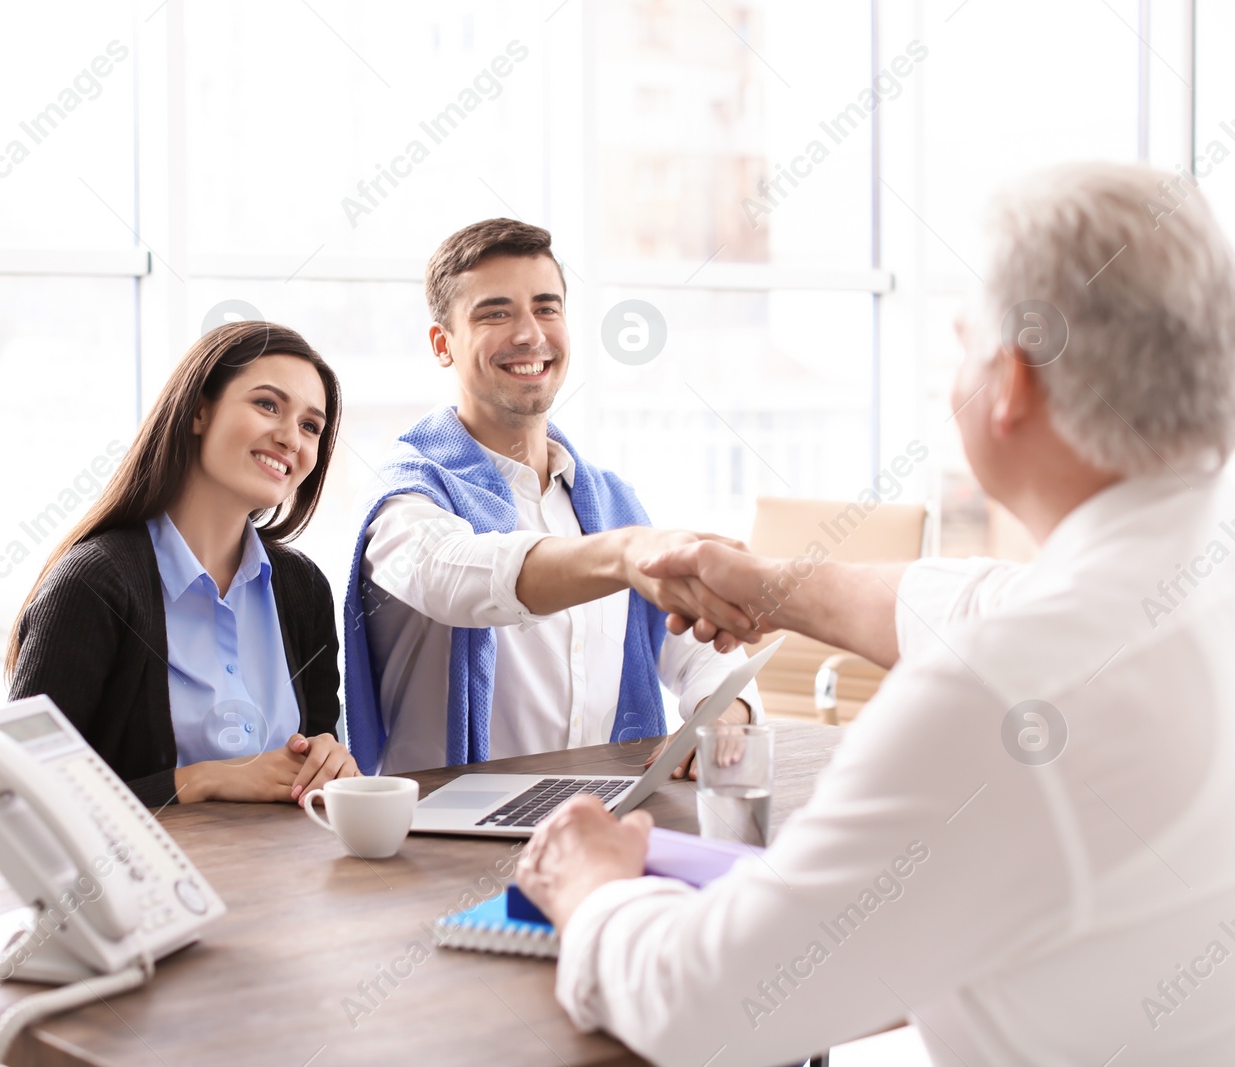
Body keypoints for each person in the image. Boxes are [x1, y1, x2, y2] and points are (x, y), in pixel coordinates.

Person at [516, 162, 1235, 1065]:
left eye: (962, 343)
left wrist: (594, 887)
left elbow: (713, 1004)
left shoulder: (1007, 695)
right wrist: (769, 584)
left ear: (1010, 381)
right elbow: (975, 602)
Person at [342, 218, 759, 777]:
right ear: (443, 344)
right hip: (439, 844)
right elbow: (458, 578)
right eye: (495, 312)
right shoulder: (406, 498)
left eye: (547, 308)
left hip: (596, 821)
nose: (530, 335)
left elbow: (704, 656)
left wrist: (721, 716)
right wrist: (624, 555)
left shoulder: (609, 504)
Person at [6, 321, 359, 807]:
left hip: (288, 875)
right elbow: (17, 797)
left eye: (310, 426)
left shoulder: (302, 588)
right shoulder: (93, 585)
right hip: (131, 882)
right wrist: (197, 780)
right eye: (267, 405)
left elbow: (317, 764)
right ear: (198, 412)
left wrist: (329, 761)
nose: (290, 439)